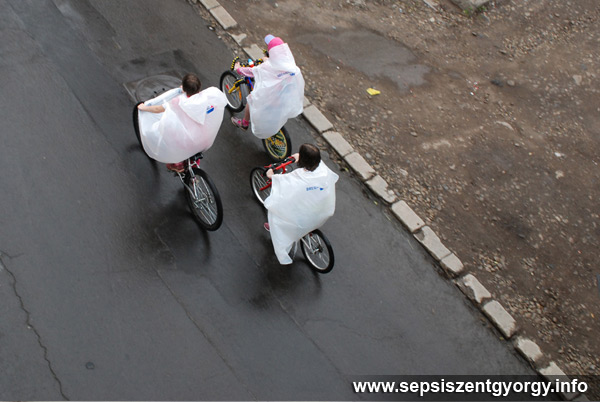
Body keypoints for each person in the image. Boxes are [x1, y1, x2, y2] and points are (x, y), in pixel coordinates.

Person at [263, 144, 339, 265]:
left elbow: (282, 181)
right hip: (322, 210)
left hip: (304, 216)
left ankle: (276, 229)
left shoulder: (298, 177)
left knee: (278, 210)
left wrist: (271, 174)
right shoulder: (323, 169)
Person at [137, 73, 227, 171]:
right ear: (199, 87)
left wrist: (144, 107)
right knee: (195, 142)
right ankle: (193, 164)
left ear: (184, 88)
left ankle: (176, 164)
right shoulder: (208, 96)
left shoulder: (178, 102)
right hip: (205, 140)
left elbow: (157, 109)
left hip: (188, 142)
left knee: (172, 134)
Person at [231, 34, 304, 139]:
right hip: (284, 98)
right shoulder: (291, 65)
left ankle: (244, 123)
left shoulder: (265, 67)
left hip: (271, 99)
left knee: (251, 100)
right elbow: (276, 66)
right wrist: (267, 60)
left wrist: (238, 69)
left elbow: (251, 72)